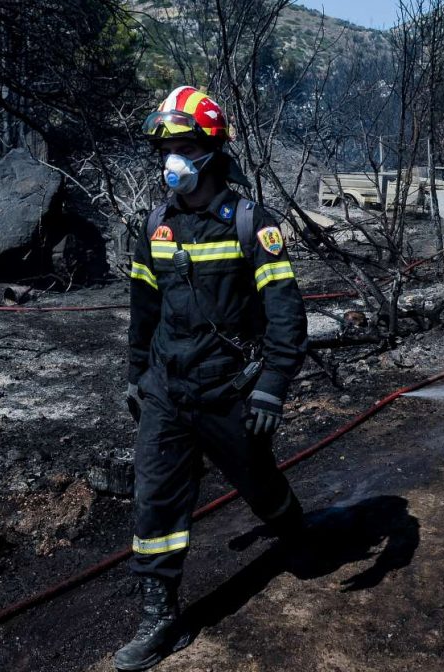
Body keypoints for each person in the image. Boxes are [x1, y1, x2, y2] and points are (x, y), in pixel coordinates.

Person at [115, 86, 309, 671]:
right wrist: (136, 375)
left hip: (228, 391)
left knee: (257, 481)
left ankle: (294, 529)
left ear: (209, 151)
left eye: (181, 147)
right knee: (155, 498)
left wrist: (272, 385)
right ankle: (159, 616)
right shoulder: (156, 225)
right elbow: (144, 309)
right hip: (167, 389)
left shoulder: (250, 223)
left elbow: (285, 313)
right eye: (164, 150)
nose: (170, 161)